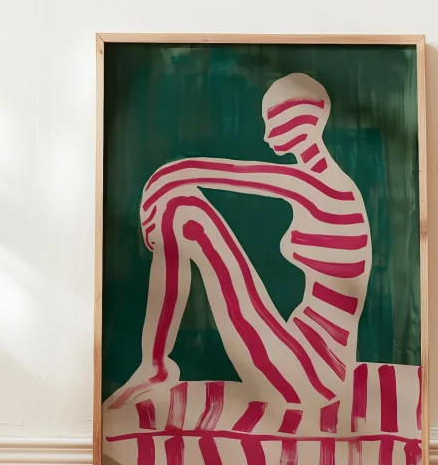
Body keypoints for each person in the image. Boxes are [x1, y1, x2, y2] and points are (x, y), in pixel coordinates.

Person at [108, 73, 371, 411]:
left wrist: (159, 182)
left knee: (182, 210)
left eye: (272, 122)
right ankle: (154, 365)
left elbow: (226, 174)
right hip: (303, 354)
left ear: (299, 121)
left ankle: (154, 366)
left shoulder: (321, 187)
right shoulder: (323, 184)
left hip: (315, 376)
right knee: (180, 208)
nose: (266, 136)